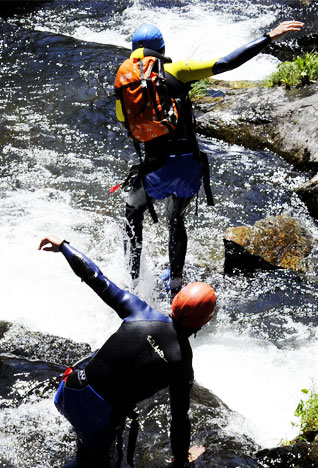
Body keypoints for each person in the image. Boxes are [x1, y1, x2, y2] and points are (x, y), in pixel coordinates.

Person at [116, 20, 303, 293]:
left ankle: (131, 286)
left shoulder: (127, 86)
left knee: (132, 213)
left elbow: (126, 122)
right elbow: (226, 63)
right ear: (163, 48)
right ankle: (177, 283)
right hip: (189, 169)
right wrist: (268, 37)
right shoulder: (178, 71)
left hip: (155, 170)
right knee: (175, 218)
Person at [40, 233, 215, 468]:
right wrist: (181, 462)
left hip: (70, 390)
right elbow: (179, 420)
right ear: (203, 323)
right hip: (98, 417)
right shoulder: (181, 363)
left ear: (175, 301)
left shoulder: (140, 311)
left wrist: (65, 247)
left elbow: (95, 278)